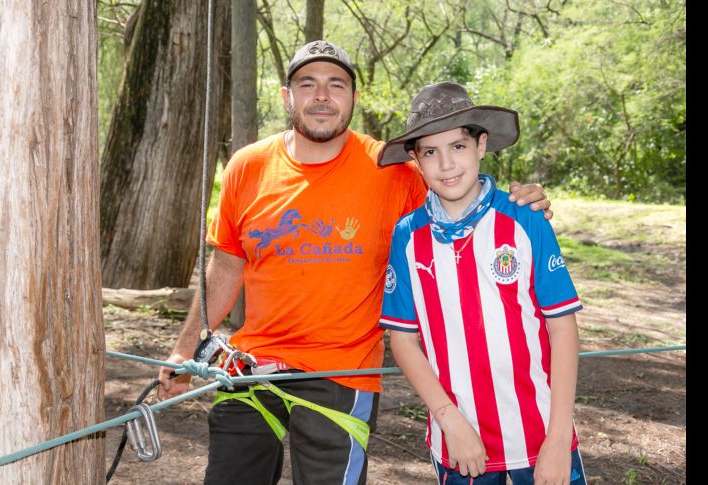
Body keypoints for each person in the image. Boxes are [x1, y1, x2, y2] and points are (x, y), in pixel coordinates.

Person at [157, 41, 553, 485]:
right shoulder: (246, 167)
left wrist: (521, 203)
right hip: (251, 364)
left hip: (343, 371)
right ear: (287, 96)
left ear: (353, 99)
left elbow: (460, 199)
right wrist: (184, 348)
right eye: (308, 84)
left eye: (336, 85)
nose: (322, 96)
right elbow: (226, 266)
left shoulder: (392, 170)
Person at [378, 81, 585, 485]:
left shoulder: (525, 219)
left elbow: (562, 327)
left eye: (457, 146)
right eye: (430, 153)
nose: (446, 164)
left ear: (481, 145)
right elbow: (403, 340)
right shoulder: (407, 236)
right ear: (415, 161)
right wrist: (449, 421)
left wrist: (559, 438)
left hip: (540, 435)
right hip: (459, 441)